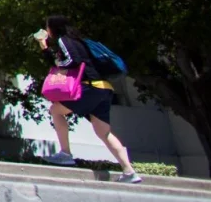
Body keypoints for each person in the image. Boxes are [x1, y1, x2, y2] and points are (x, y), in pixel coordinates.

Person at [38, 17, 142, 182]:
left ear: (53, 28)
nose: (46, 30)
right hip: (104, 88)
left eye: (47, 27)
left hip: (89, 87)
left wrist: (48, 51)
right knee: (104, 132)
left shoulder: (64, 40)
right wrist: (46, 49)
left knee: (55, 111)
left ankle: (65, 154)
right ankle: (129, 172)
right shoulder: (81, 42)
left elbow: (72, 61)